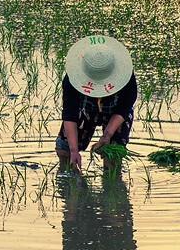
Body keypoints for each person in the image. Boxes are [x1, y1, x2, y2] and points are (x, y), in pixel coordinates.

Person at [55, 34, 137, 171]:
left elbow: (124, 108)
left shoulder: (126, 77)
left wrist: (107, 136)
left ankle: (111, 185)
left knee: (113, 153)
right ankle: (69, 181)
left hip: (115, 113)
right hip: (85, 110)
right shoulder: (72, 80)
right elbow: (70, 114)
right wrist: (74, 150)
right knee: (64, 150)